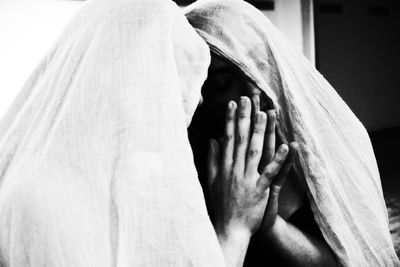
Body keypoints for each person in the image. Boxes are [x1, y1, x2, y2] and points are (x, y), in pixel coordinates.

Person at [0, 0, 228, 266]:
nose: (198, 99)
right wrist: (233, 231)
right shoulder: (45, 199)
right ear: (125, 75)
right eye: (170, 72)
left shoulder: (125, 174)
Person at [185, 0, 400, 266]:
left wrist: (273, 227)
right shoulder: (186, 170)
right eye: (223, 83)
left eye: (258, 65)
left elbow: (350, 259)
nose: (255, 91)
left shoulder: (321, 141)